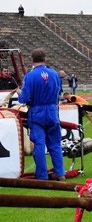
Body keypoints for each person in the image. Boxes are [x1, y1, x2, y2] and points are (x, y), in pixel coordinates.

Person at [17, 48, 65, 180]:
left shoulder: (30, 76)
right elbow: (58, 92)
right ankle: (60, 173)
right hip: (52, 110)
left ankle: (42, 175)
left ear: (32, 60)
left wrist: (20, 93)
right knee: (55, 144)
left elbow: (25, 98)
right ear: (45, 59)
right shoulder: (54, 74)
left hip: (37, 111)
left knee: (39, 144)